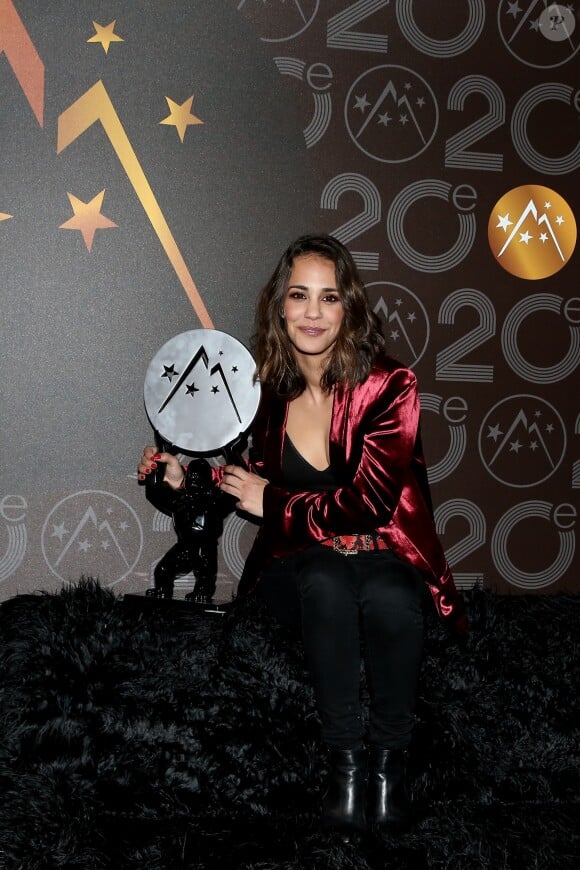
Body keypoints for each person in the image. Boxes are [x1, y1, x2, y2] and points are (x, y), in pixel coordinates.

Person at [138, 234, 467, 835]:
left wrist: (274, 501)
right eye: (299, 295)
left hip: (379, 552)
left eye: (329, 297)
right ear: (280, 306)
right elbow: (236, 479)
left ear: (348, 308)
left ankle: (389, 767)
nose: (313, 312)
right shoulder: (261, 396)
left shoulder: (389, 386)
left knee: (393, 592)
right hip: (299, 566)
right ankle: (345, 766)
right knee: (324, 574)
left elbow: (368, 504)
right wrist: (181, 479)